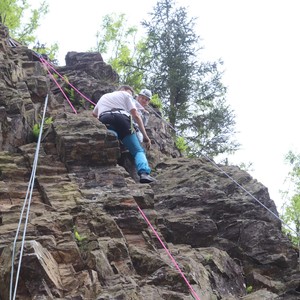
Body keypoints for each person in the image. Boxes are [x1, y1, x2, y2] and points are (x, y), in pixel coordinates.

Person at [92, 85, 156, 184]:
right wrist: (146, 137)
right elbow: (135, 115)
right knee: (138, 150)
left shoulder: (104, 96)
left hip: (105, 118)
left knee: (112, 136)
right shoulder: (126, 94)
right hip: (122, 119)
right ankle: (144, 173)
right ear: (126, 91)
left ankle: (113, 140)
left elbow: (94, 114)